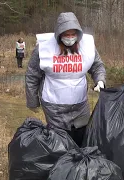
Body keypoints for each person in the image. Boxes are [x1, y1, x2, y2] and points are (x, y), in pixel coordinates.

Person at [25, 12, 106, 147]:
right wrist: (33, 101)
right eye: (66, 35)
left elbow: (97, 66)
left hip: (80, 104)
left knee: (81, 138)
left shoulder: (86, 46)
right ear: (59, 35)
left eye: (73, 34)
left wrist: (100, 81)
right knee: (59, 142)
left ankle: (79, 165)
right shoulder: (44, 48)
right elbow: (32, 75)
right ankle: (62, 165)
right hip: (54, 105)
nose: (70, 38)